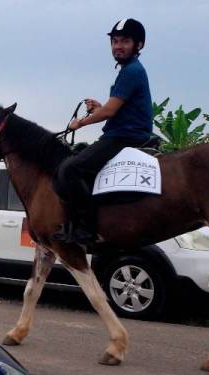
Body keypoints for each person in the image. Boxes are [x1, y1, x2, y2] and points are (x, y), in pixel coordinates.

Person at [52, 18, 153, 244]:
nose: (118, 46)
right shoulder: (129, 70)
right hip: (124, 131)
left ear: (139, 45)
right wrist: (99, 108)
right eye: (115, 41)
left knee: (70, 170)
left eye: (125, 41)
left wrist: (80, 123)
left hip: (125, 137)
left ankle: (86, 229)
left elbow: (109, 112)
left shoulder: (131, 72)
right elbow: (115, 109)